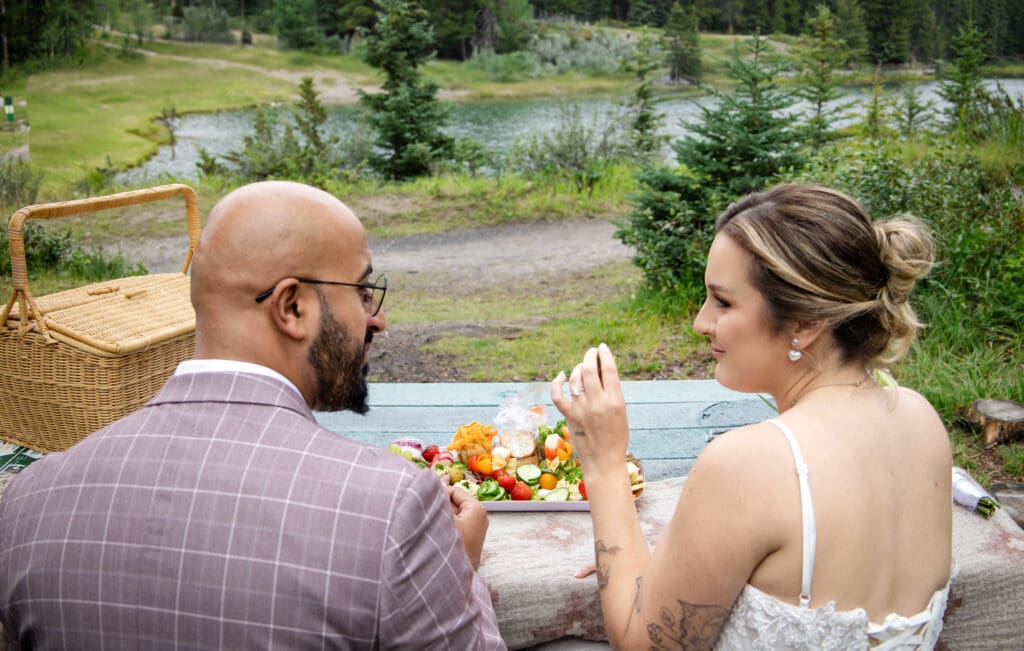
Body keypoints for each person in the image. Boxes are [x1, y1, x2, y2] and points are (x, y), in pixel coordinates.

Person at [0, 181, 505, 650]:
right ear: (291, 307)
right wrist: (457, 569)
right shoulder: (393, 510)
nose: (378, 320)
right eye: (363, 292)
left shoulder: (28, 501)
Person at [551, 183, 953, 650]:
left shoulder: (750, 463)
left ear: (804, 322)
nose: (701, 322)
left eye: (722, 301)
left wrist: (603, 463)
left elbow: (642, 644)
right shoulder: (921, 419)